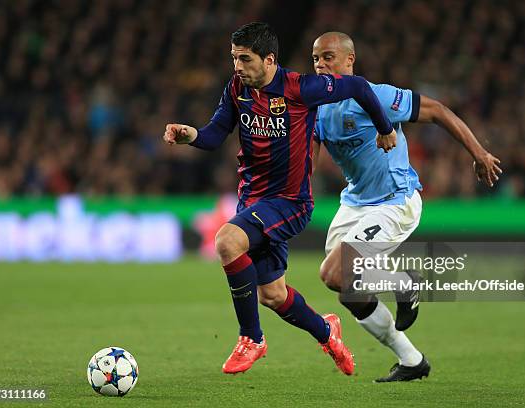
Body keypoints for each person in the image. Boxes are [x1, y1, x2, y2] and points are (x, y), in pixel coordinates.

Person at [162, 22, 399, 376]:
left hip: (290, 202)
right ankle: (327, 331)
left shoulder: (301, 88)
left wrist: (385, 128)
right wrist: (190, 135)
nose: (238, 67)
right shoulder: (236, 88)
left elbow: (360, 86)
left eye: (245, 59)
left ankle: (251, 338)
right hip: (253, 201)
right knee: (272, 295)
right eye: (234, 58)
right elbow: (214, 135)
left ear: (269, 59)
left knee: (227, 241)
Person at [312, 32, 502, 382]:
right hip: (354, 203)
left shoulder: (377, 96)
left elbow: (437, 111)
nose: (321, 65)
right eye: (316, 60)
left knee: (335, 273)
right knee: (348, 292)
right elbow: (308, 164)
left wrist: (479, 153)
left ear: (349, 61)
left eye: (328, 57)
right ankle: (412, 361)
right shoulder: (318, 109)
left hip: (394, 201)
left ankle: (404, 281)